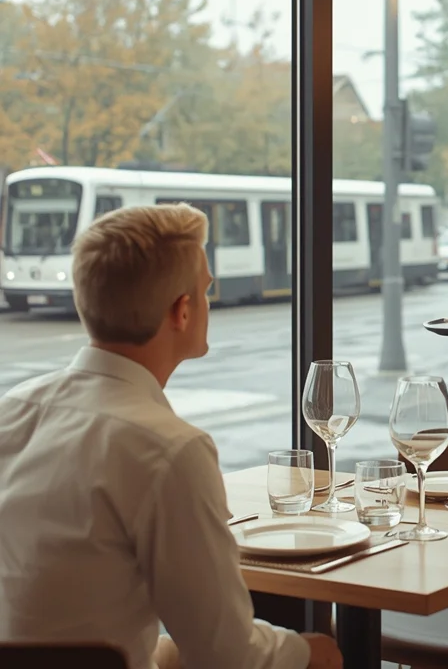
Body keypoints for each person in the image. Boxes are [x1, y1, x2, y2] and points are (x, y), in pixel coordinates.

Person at [0, 204, 342, 669]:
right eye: (205, 291)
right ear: (182, 311)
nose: (207, 302)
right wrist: (311, 652)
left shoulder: (12, 410)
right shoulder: (168, 449)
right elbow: (227, 656)